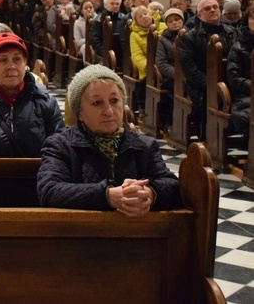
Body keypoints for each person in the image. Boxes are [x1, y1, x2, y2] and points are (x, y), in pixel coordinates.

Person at [37, 65, 182, 215]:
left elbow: (172, 186)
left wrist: (149, 194)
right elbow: (49, 191)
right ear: (79, 112)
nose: (109, 111)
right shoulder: (60, 145)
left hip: (136, 235)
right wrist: (108, 195)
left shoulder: (144, 145)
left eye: (114, 101)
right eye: (97, 103)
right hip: (81, 235)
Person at [179, 0, 236, 137]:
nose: (212, 10)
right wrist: (211, 86)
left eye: (215, 7)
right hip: (200, 85)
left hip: (229, 82)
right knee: (209, 99)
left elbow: (237, 60)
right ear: (199, 15)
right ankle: (208, 138)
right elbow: (189, 68)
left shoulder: (232, 32)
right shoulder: (189, 37)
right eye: (207, 8)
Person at [155, 8, 184, 131]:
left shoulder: (188, 36)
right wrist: (178, 75)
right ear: (166, 24)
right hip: (170, 77)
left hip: (188, 75)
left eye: (177, 20)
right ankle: (169, 124)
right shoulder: (163, 40)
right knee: (178, 90)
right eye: (170, 21)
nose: (174, 23)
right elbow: (161, 63)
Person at [227, 4, 254, 135]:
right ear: (247, 21)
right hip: (246, 97)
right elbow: (235, 78)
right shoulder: (238, 48)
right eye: (253, 18)